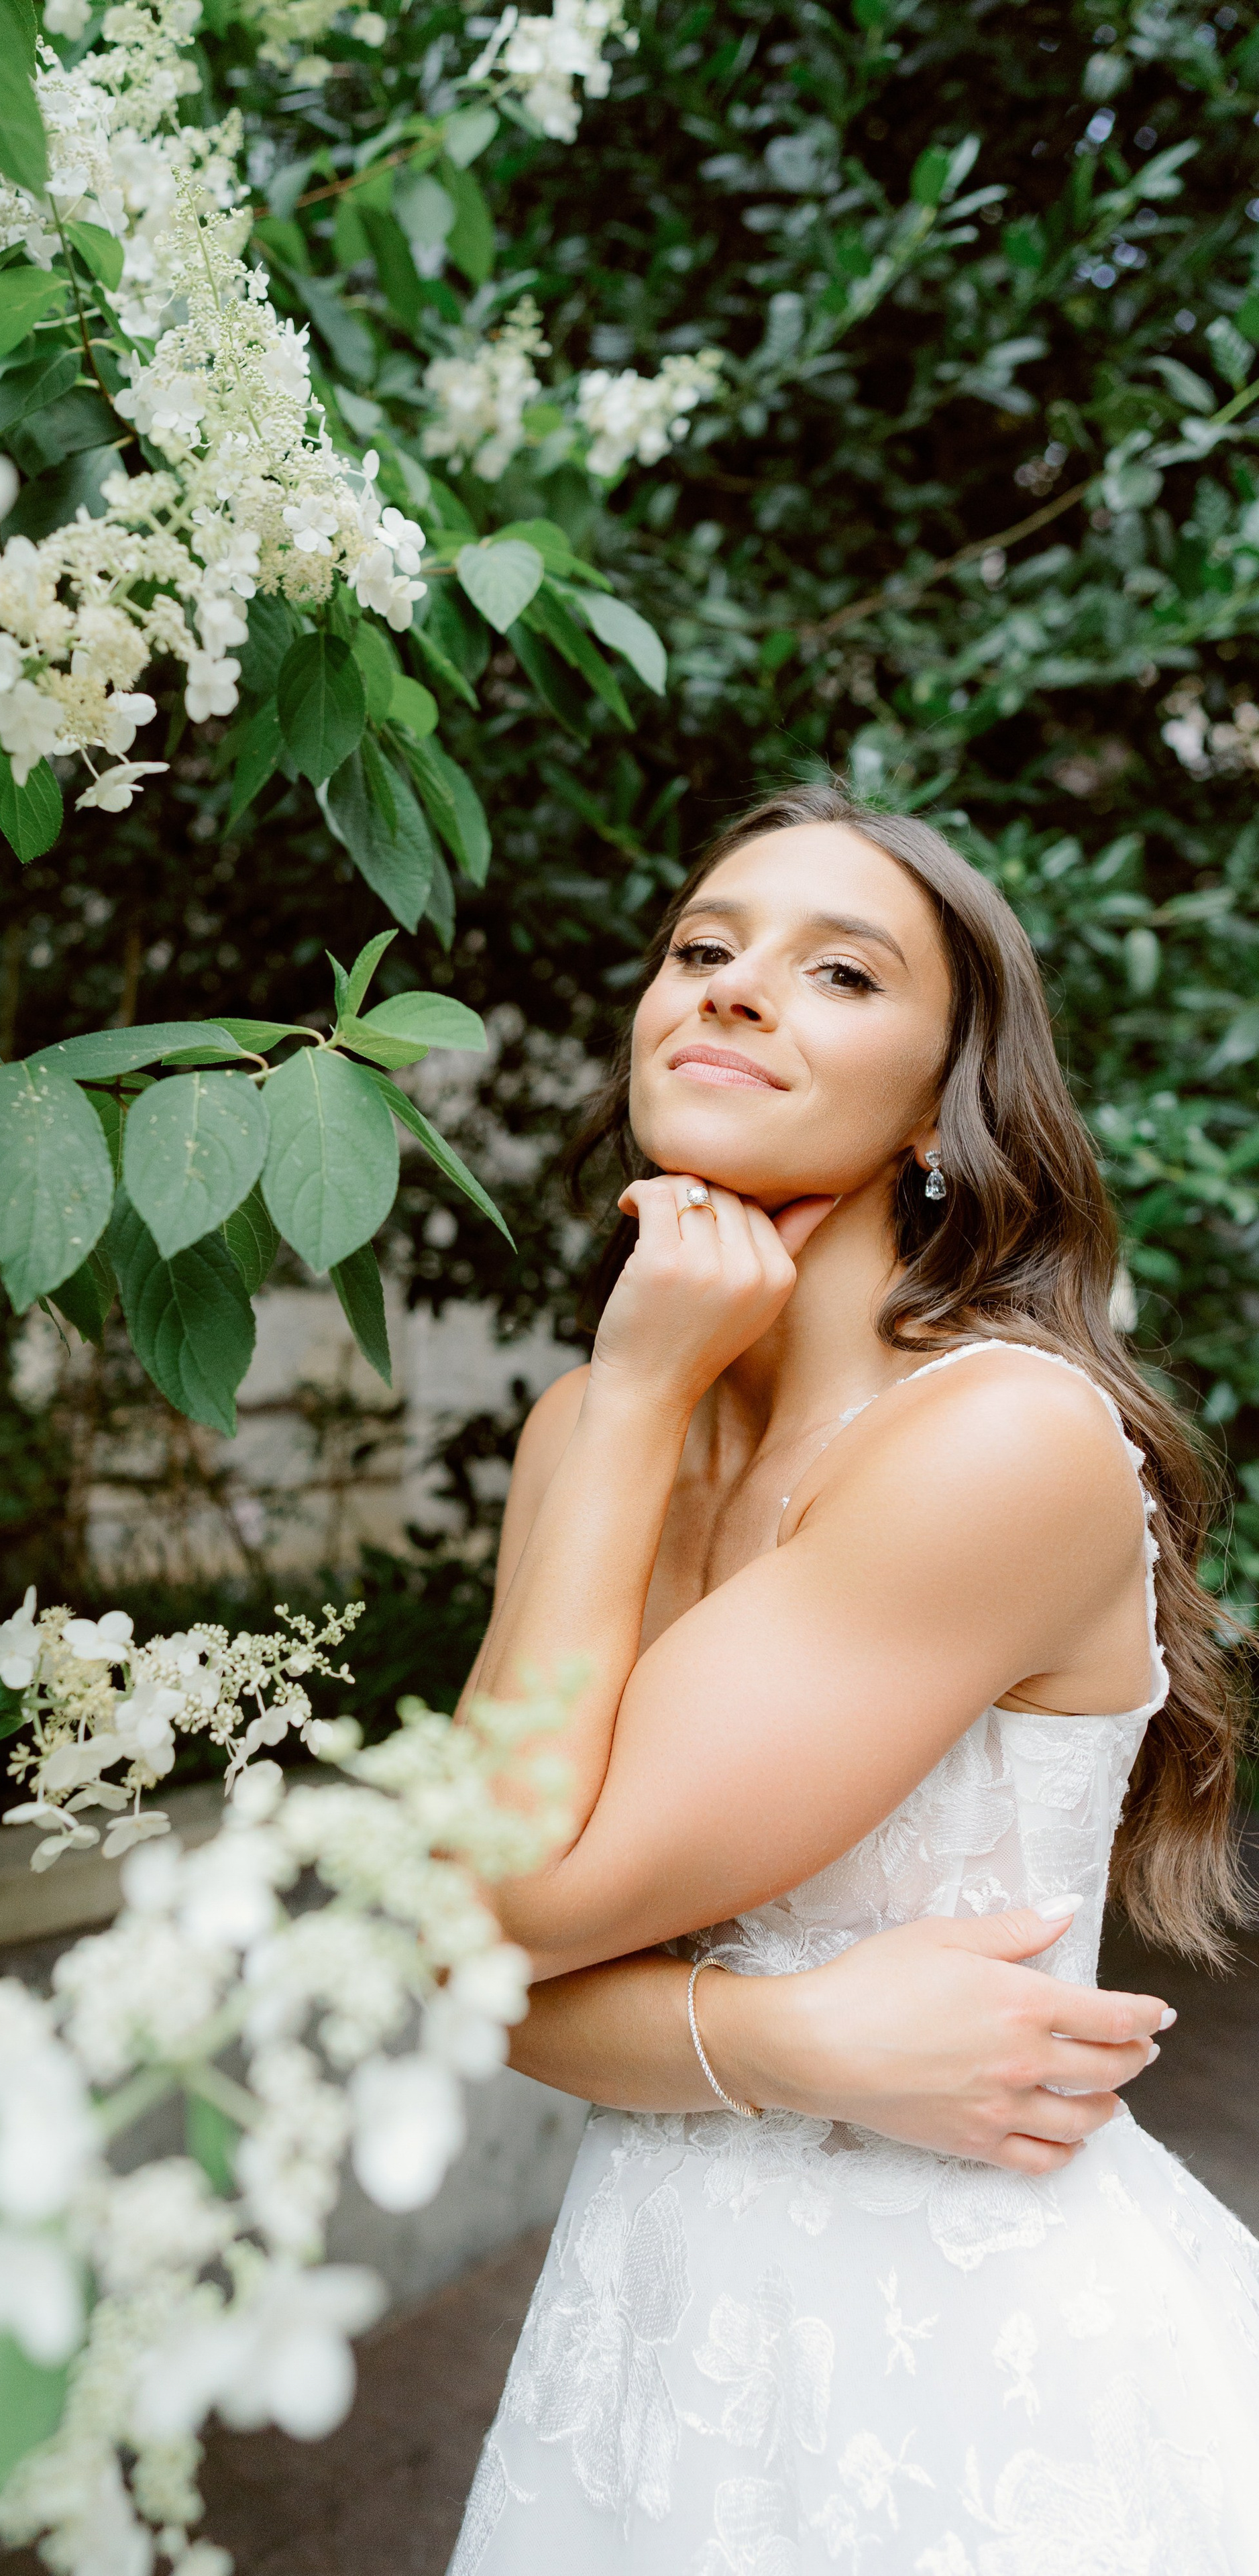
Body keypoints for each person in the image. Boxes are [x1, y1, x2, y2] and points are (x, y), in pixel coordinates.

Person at [447, 784, 1258, 2574]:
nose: (731, 992)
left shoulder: (1001, 1445)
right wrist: (790, 2037)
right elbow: (447, 1941)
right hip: (644, 2333)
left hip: (959, 2375)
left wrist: (631, 2019)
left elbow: (506, 1898)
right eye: (702, 951)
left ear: (943, 1112)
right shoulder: (600, 1419)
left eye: (838, 972)